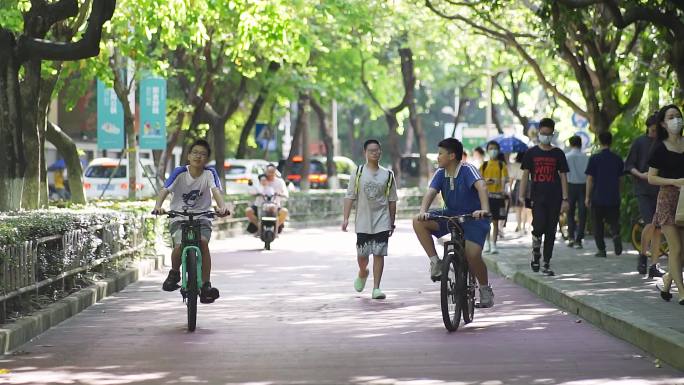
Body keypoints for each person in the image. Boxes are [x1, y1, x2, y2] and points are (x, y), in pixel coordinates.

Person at [412, 138, 494, 308]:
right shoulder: (440, 173)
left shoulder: (467, 169)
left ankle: (485, 289)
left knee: (472, 255)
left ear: (452, 156)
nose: (437, 157)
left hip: (474, 218)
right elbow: (430, 193)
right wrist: (423, 212)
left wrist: (484, 210)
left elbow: (482, 187)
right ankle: (436, 262)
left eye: (440, 153)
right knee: (418, 222)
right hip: (451, 216)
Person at [152, 139, 230, 304]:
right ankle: (174, 273)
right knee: (180, 245)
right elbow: (165, 190)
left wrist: (222, 207)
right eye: (195, 153)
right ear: (188, 156)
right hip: (179, 217)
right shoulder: (179, 172)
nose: (198, 156)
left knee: (203, 243)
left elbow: (216, 191)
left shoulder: (210, 173)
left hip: (202, 217)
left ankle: (206, 285)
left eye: (203, 154)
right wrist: (158, 206)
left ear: (207, 158)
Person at [342, 139, 398, 300]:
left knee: (379, 254)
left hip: (382, 220)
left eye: (377, 150)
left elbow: (392, 200)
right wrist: (345, 218)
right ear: (365, 153)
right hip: (362, 221)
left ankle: (376, 288)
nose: (375, 153)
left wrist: (391, 222)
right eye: (371, 150)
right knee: (362, 255)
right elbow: (350, 196)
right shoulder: (358, 172)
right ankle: (362, 272)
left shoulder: (388, 175)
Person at [519, 118, 570, 276]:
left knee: (551, 231)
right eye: (543, 133)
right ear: (539, 132)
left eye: (548, 134)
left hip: (554, 198)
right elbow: (525, 175)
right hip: (537, 197)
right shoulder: (531, 153)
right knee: (539, 227)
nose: (545, 136)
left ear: (552, 134)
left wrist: (565, 199)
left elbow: (563, 176)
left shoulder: (558, 153)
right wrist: (521, 195)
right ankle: (536, 252)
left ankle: (546, 263)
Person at [648, 104, 684, 305]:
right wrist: (674, 182)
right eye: (670, 117)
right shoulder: (659, 148)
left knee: (682, 253)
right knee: (676, 249)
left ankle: (668, 279)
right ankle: (682, 291)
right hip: (667, 200)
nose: (676, 120)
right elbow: (652, 178)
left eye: (678, 116)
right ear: (663, 123)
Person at [625, 113, 664, 277]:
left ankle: (654, 265)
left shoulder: (663, 143)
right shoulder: (639, 142)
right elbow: (629, 165)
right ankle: (642, 255)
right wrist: (641, 175)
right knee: (649, 223)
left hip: (661, 189)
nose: (655, 132)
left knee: (658, 228)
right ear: (648, 127)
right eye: (653, 129)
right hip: (643, 189)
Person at [585, 132, 624, 258]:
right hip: (613, 196)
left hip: (598, 196)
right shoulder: (617, 159)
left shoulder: (594, 159)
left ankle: (601, 250)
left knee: (598, 224)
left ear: (599, 142)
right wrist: (619, 193)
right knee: (614, 221)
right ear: (611, 142)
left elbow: (590, 179)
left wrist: (587, 197)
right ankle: (616, 234)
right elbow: (620, 180)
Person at [480, 140, 508, 254]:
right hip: (486, 197)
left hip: (498, 197)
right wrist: (486, 181)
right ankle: (486, 242)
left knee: (496, 222)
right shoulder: (484, 165)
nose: (493, 151)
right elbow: (479, 180)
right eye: (491, 148)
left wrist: (500, 185)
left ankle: (494, 244)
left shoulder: (502, 165)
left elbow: (505, 179)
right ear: (487, 150)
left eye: (495, 149)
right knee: (486, 221)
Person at [246, 164, 289, 234]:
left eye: (272, 172)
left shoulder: (280, 182)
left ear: (275, 172)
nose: (270, 174)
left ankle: (275, 228)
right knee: (248, 211)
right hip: (260, 205)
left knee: (284, 212)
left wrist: (281, 194)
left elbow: (285, 193)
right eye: (269, 172)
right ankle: (259, 228)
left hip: (275, 206)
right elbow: (252, 190)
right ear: (266, 172)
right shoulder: (260, 180)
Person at [565, 135, 589, 249]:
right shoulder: (586, 157)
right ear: (580, 144)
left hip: (570, 185)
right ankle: (579, 239)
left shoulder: (567, 156)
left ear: (570, 144)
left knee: (570, 212)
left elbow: (563, 174)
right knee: (582, 213)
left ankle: (570, 237)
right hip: (583, 186)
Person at [510, 151, 531, 234]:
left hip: (518, 185)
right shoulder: (529, 164)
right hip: (529, 184)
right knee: (526, 207)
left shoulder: (514, 165)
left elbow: (512, 178)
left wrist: (510, 188)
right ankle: (525, 226)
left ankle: (519, 226)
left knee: (518, 208)